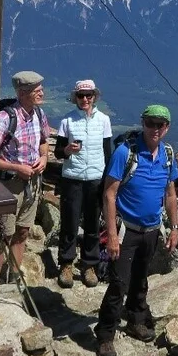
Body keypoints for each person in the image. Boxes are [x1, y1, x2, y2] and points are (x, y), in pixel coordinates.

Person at [95, 105, 178, 356]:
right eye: (151, 123)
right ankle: (105, 335)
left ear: (167, 127)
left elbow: (170, 194)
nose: (155, 129)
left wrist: (175, 228)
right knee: (118, 283)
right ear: (143, 123)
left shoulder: (167, 154)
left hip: (152, 230)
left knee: (141, 278)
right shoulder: (125, 153)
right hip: (126, 230)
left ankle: (135, 319)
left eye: (161, 124)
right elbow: (109, 194)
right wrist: (111, 235)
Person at [54, 79, 113, 289]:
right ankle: (66, 264)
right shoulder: (67, 121)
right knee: (69, 223)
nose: (85, 99)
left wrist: (108, 179)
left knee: (92, 224)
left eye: (89, 95)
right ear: (75, 98)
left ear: (95, 97)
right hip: (72, 178)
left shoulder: (104, 120)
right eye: (81, 96)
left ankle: (89, 265)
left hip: (95, 178)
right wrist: (67, 151)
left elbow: (108, 151)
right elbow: (57, 152)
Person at [0, 70, 51, 284]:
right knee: (3, 236)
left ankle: (14, 279)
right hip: (9, 185)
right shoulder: (5, 118)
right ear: (23, 92)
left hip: (33, 183)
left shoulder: (39, 114)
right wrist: (17, 168)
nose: (41, 93)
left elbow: (44, 141)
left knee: (23, 232)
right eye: (37, 90)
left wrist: (44, 158)